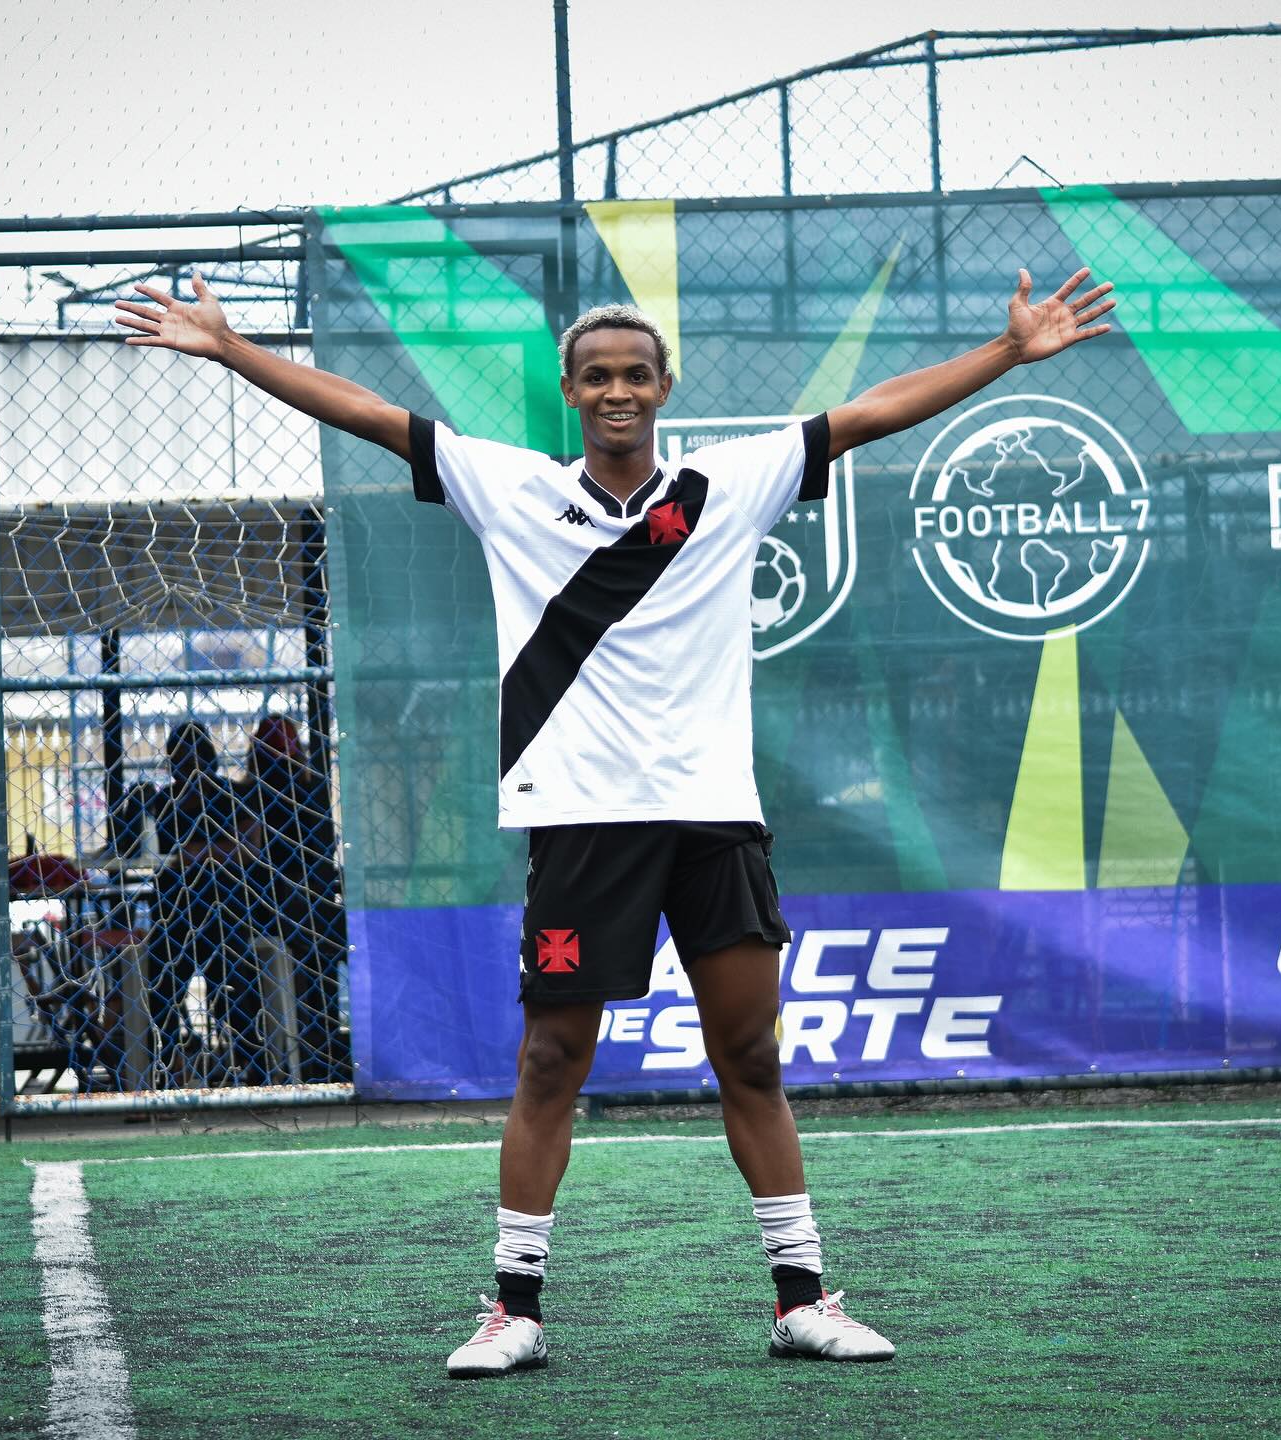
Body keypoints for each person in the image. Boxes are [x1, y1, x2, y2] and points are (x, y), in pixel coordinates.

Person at [115, 261, 1114, 1371]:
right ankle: (515, 1311)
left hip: (714, 817)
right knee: (551, 1060)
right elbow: (367, 412)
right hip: (582, 821)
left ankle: (801, 1300)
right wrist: (232, 349)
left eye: (637, 373)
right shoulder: (508, 488)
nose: (618, 391)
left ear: (665, 385)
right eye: (597, 376)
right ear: (571, 390)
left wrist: (1008, 351)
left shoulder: (729, 483)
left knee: (751, 1056)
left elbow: (872, 413)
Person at [148, 720, 267, 1086]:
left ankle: (253, 1064)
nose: (186, 768)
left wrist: (198, 853)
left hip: (224, 905)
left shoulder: (230, 794)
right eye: (179, 760)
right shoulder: (164, 800)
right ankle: (168, 1065)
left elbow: (250, 846)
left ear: (208, 759)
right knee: (160, 984)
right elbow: (148, 850)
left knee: (235, 987)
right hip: (174, 908)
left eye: (193, 759)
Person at [238, 715, 350, 1082]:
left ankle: (277, 1058)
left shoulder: (252, 791)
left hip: (267, 905)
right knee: (318, 972)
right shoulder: (310, 786)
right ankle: (321, 1053)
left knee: (276, 971)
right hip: (311, 902)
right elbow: (322, 848)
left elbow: (252, 853)